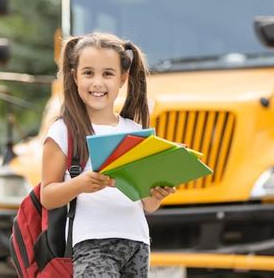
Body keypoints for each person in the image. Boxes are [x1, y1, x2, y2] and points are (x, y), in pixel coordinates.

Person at [41, 32, 176, 277]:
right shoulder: (63, 131)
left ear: (123, 78)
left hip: (137, 242)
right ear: (75, 76)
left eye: (108, 74)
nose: (98, 83)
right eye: (88, 73)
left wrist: (157, 195)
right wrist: (81, 184)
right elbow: (47, 196)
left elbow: (147, 204)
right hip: (92, 242)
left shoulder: (135, 132)